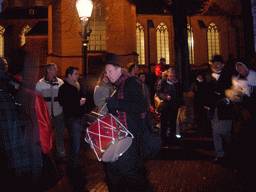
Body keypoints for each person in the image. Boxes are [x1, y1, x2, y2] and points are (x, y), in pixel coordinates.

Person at [105, 53, 160, 192]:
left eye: (109, 71)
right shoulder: (119, 86)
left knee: (126, 168)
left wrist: (117, 103)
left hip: (131, 135)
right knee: (112, 168)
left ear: (119, 70)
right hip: (122, 134)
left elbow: (141, 106)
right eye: (106, 72)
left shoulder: (131, 83)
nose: (107, 74)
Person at [58, 66, 86, 191]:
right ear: (69, 75)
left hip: (78, 117)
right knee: (75, 142)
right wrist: (78, 103)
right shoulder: (64, 87)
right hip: (72, 118)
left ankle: (73, 162)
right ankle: (73, 165)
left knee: (75, 142)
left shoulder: (76, 86)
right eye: (75, 74)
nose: (77, 76)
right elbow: (64, 102)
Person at [225, 61, 256, 173]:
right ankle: (240, 163)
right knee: (239, 136)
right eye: (237, 67)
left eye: (241, 66)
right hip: (239, 111)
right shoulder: (236, 79)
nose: (239, 69)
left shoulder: (253, 77)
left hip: (251, 110)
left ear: (245, 66)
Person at [204, 55, 233, 164]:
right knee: (215, 133)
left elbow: (232, 89)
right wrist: (205, 104)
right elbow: (204, 91)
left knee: (225, 131)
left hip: (224, 107)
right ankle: (219, 154)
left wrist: (227, 99)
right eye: (213, 63)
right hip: (212, 107)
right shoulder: (207, 75)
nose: (215, 65)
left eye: (217, 63)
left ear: (222, 65)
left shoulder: (228, 75)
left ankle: (231, 152)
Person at [36, 63, 66, 161]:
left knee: (60, 135)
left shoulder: (60, 82)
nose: (56, 70)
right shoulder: (40, 84)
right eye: (54, 68)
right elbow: (37, 100)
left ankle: (61, 154)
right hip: (46, 115)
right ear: (48, 70)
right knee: (47, 135)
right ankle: (49, 154)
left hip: (58, 113)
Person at [155, 67, 186, 146]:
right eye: (170, 73)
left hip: (174, 105)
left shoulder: (177, 83)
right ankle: (163, 138)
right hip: (166, 105)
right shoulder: (163, 82)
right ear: (168, 73)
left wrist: (182, 104)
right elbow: (158, 92)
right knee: (164, 122)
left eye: (173, 73)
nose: (172, 75)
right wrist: (165, 97)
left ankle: (172, 138)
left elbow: (180, 94)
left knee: (173, 122)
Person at [190, 71, 211, 137]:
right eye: (199, 75)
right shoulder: (195, 82)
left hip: (203, 99)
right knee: (198, 114)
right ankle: (199, 128)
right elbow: (192, 89)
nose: (200, 77)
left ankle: (204, 128)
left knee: (203, 114)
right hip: (197, 100)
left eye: (201, 75)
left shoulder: (204, 82)